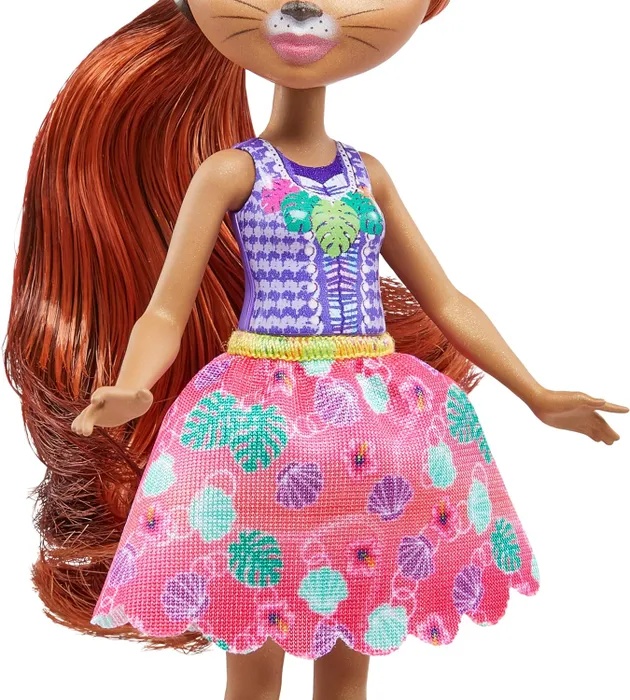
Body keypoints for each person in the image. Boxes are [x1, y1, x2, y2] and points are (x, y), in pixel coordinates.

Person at [5, 2, 627, 700]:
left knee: (351, 649)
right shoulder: (231, 172)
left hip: (372, 434)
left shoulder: (368, 175)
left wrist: (536, 393)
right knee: (255, 652)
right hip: (263, 435)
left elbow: (446, 299)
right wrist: (134, 384)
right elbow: (166, 308)